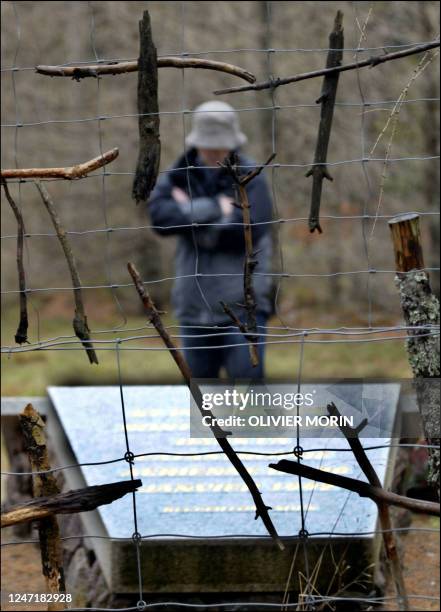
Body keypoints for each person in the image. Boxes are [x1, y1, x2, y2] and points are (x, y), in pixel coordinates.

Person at [148, 100, 273, 379]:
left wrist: (188, 214)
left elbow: (247, 232)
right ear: (197, 143)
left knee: (250, 398)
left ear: (234, 144)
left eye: (221, 147)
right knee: (200, 401)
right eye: (209, 146)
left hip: (243, 308)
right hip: (193, 309)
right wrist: (216, 207)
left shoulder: (252, 177)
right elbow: (160, 218)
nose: (215, 153)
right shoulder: (180, 174)